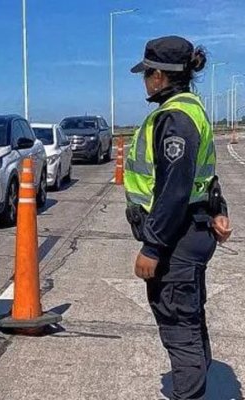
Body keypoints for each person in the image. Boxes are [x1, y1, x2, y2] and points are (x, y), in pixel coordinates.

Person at [125, 36, 232, 400]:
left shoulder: (175, 118)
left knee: (178, 326)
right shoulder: (192, 109)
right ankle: (199, 386)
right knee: (190, 318)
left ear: (159, 76)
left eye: (146, 74)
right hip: (193, 228)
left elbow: (175, 187)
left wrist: (152, 246)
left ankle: (190, 392)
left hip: (176, 238)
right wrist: (219, 209)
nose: (144, 81)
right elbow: (205, 175)